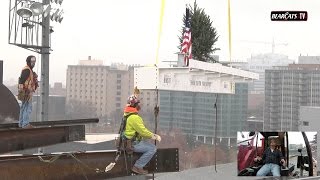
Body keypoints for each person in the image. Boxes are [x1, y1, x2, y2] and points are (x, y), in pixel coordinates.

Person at [123, 94, 161, 175]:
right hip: (133, 144)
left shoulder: (127, 114)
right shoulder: (134, 117)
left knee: (148, 145)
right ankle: (138, 166)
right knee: (152, 148)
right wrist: (154, 136)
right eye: (138, 104)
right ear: (135, 105)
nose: (139, 105)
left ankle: (138, 165)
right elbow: (143, 132)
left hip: (128, 142)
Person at [18, 55, 39, 128]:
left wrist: (34, 77)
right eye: (32, 61)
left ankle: (21, 124)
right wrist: (23, 91)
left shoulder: (29, 70)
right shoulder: (27, 70)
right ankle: (25, 124)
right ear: (28, 61)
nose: (33, 63)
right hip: (27, 92)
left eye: (34, 62)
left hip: (26, 91)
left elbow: (25, 81)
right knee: (28, 108)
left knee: (24, 107)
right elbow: (21, 81)